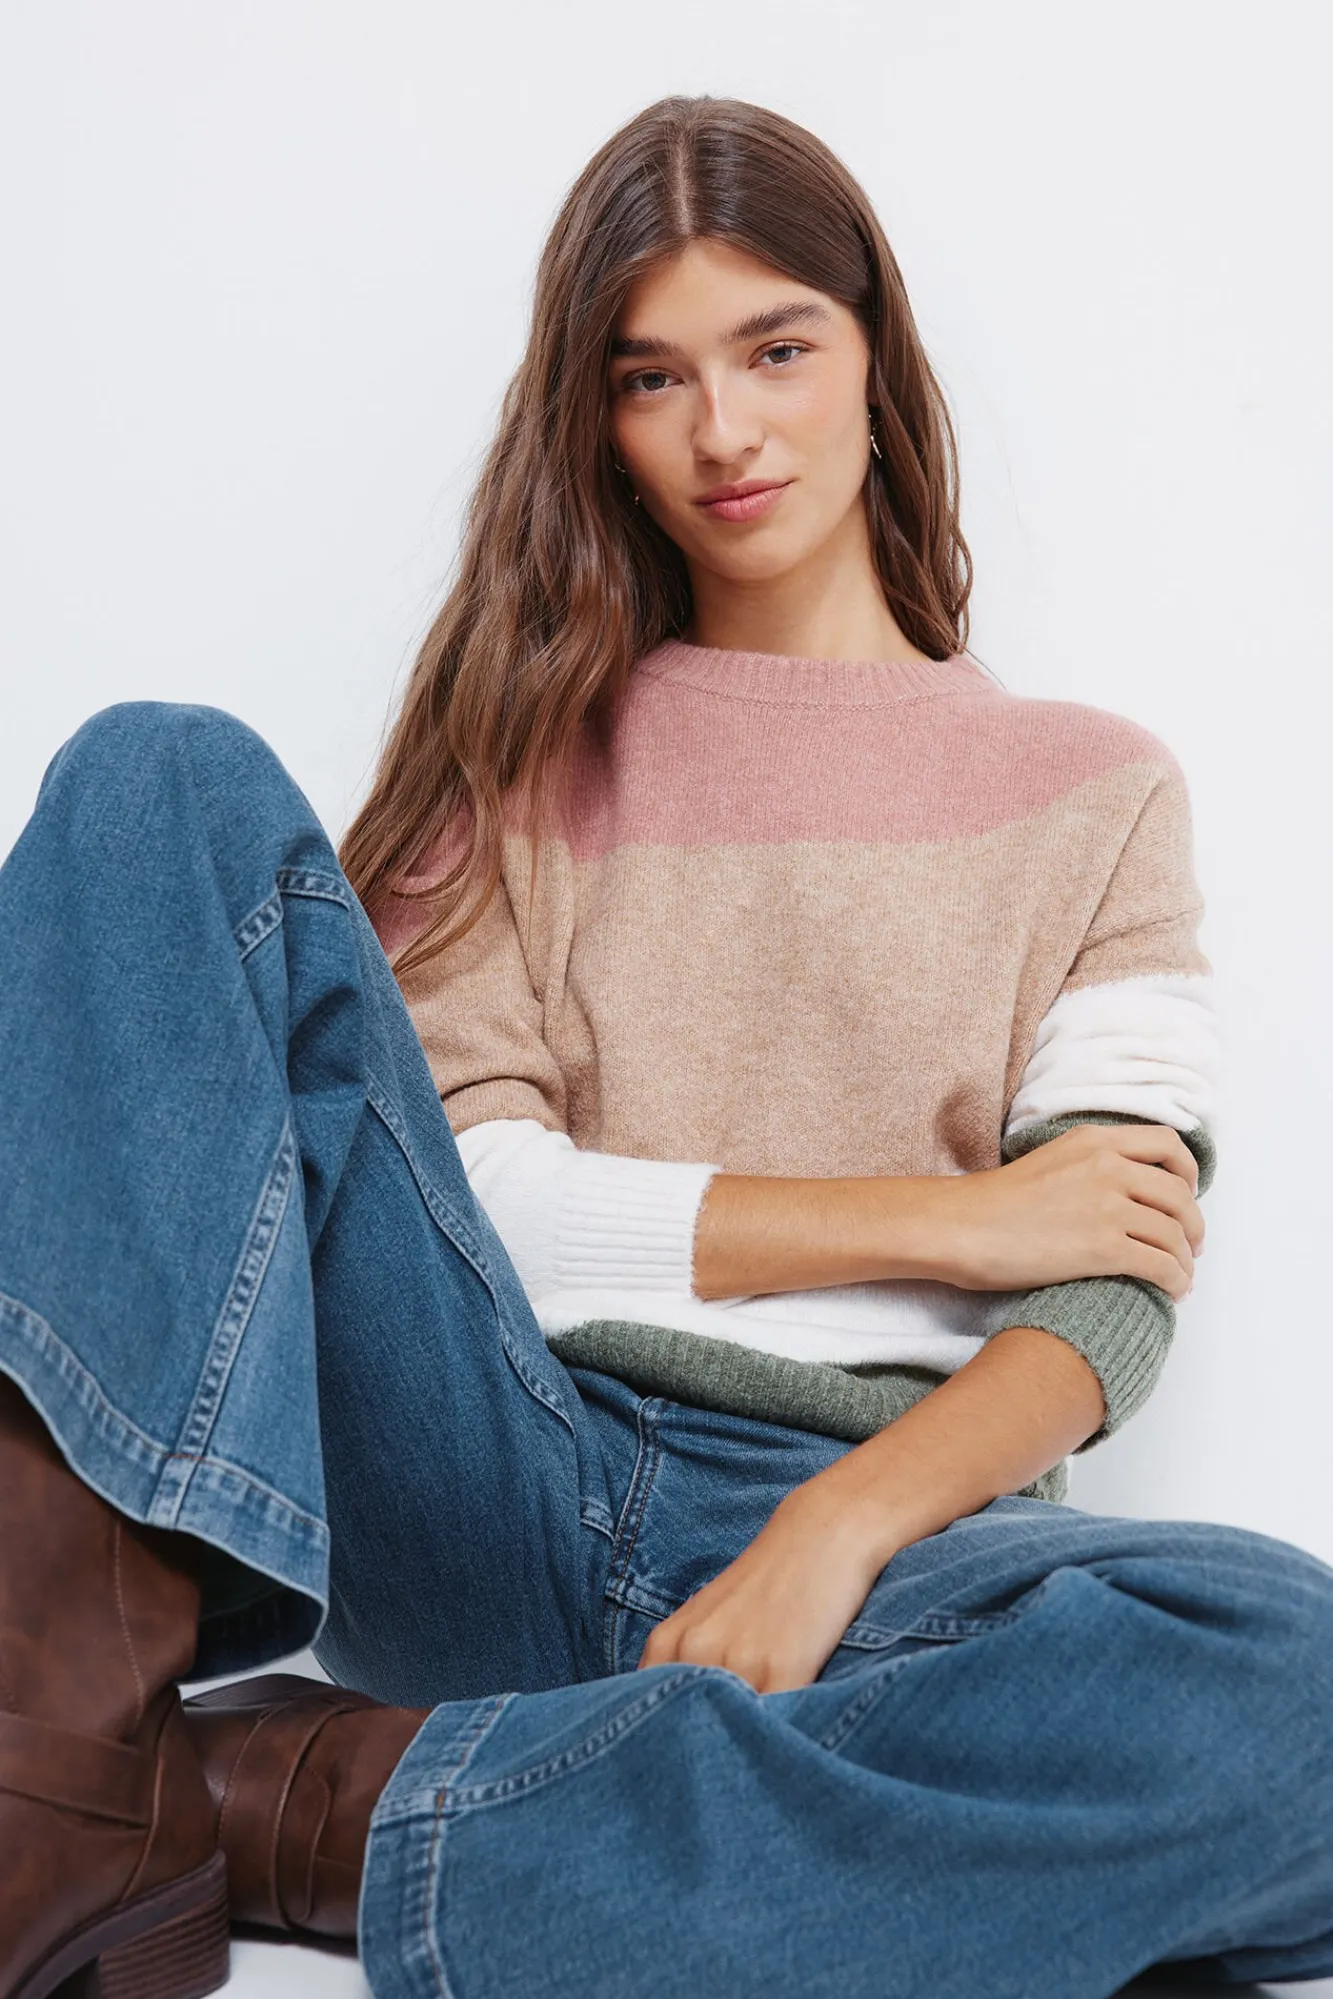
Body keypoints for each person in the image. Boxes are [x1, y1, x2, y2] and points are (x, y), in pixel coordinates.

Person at [1, 90, 1330, 1999]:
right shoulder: (517, 764)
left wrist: (831, 1530)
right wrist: (951, 1220)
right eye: (652, 377)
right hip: (502, 1466)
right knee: (155, 779)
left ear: (875, 362)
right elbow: (493, 1208)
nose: (724, 430)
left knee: (1297, 1680)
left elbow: (1107, 1287)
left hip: (897, 1552)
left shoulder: (1097, 795)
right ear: (599, 422)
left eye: (777, 350)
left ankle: (287, 1804)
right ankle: (51, 1766)